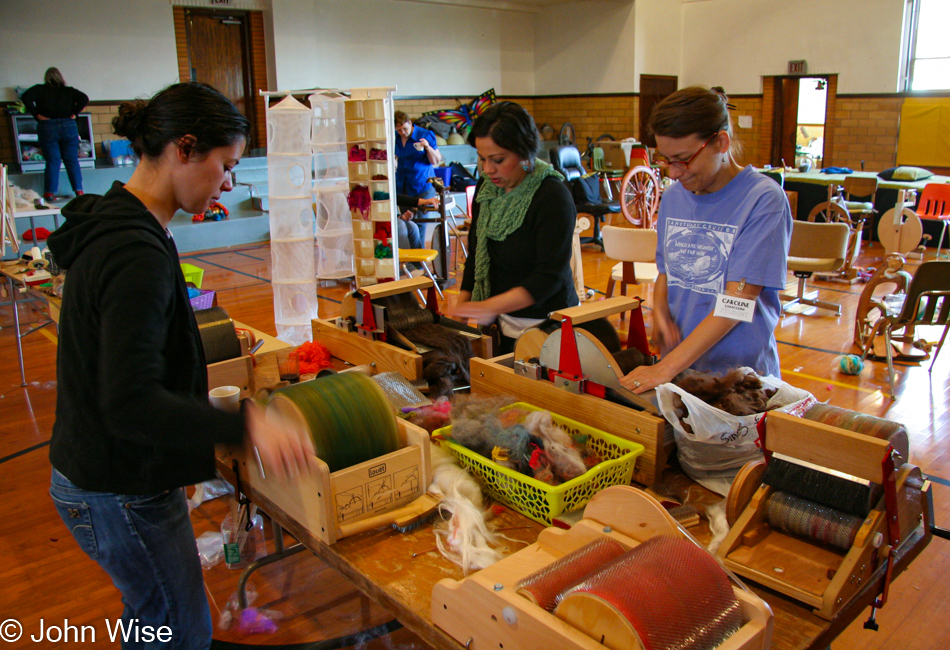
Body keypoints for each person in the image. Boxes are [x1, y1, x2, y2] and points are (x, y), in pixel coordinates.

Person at [46, 82, 317, 649]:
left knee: (153, 617)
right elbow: (130, 401)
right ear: (185, 148)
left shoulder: (122, 222)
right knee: (177, 632)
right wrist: (246, 426)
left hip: (99, 475)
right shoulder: (133, 251)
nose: (227, 183)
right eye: (225, 165)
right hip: (118, 488)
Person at [620, 86, 792, 394]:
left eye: (683, 160)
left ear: (720, 142)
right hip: (682, 371)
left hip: (740, 379)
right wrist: (660, 312)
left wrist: (664, 368)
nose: (674, 173)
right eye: (666, 159)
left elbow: (739, 299)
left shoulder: (763, 199)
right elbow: (667, 271)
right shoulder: (674, 197)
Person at [449, 101, 578, 353]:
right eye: (482, 158)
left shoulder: (552, 196)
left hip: (549, 327)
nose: (488, 169)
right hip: (499, 325)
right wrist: (462, 310)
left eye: (498, 159)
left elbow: (548, 278)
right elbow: (476, 256)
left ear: (524, 152)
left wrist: (486, 307)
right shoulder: (487, 191)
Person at [21, 67, 89, 201]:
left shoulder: (39, 89)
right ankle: (79, 191)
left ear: (46, 77)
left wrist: (37, 115)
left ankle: (49, 193)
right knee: (72, 160)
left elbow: (25, 97)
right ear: (60, 77)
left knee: (53, 160)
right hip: (68, 125)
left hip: (47, 125)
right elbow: (84, 98)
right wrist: (74, 113)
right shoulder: (68, 91)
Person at [394, 112, 442, 251]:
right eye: (399, 130)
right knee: (407, 223)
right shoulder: (395, 138)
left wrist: (427, 147)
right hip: (403, 184)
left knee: (420, 223)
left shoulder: (425, 135)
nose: (403, 132)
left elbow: (436, 161)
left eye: (405, 128)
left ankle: (419, 264)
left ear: (410, 123)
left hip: (422, 184)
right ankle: (410, 261)